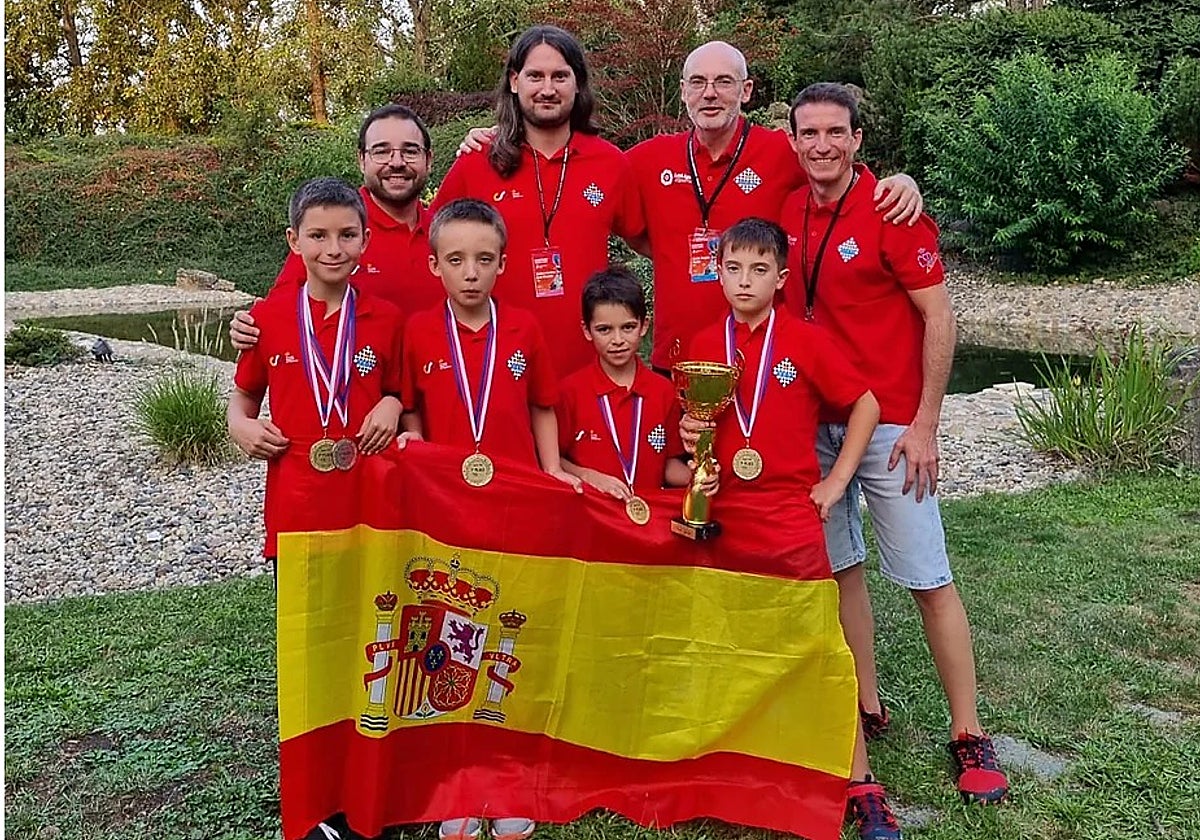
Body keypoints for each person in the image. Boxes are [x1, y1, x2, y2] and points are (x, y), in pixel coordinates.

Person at [779, 82, 1009, 813]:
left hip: (891, 427)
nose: (821, 145)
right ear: (792, 142)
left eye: (835, 132)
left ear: (857, 141)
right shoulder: (788, 211)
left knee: (924, 573)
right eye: (808, 133)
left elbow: (939, 317)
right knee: (841, 569)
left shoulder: (890, 209)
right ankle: (868, 703)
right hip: (815, 424)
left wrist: (927, 425)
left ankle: (968, 731)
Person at [681, 218, 892, 839]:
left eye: (758, 270)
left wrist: (836, 481)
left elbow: (867, 404)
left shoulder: (804, 341)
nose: (744, 281)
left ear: (779, 277)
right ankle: (732, 762)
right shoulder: (699, 343)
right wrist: (693, 439)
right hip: (724, 516)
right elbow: (690, 434)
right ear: (719, 272)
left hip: (790, 516)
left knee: (818, 643)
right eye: (733, 269)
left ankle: (860, 777)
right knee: (725, 639)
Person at [625, 41, 924, 371]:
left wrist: (903, 181)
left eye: (724, 81)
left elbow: (840, 175)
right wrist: (671, 250)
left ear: (746, 90)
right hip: (677, 357)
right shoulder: (647, 160)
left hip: (766, 360)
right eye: (698, 82)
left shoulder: (783, 153)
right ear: (683, 91)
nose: (709, 93)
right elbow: (613, 215)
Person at [433, 25, 645, 379]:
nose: (548, 89)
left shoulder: (611, 164)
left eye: (560, 76)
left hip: (588, 369)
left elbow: (647, 238)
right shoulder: (477, 160)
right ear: (515, 82)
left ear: (578, 84)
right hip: (495, 369)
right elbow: (433, 244)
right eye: (536, 76)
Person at [228, 176, 404, 567]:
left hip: (370, 501)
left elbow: (399, 391)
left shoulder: (387, 320)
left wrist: (392, 403)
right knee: (302, 622)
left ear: (365, 240)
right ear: (295, 242)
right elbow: (244, 397)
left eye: (347, 235)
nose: (334, 249)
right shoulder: (267, 319)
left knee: (372, 619)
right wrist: (240, 426)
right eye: (318, 236)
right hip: (296, 505)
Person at [399, 199, 581, 506]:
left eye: (484, 260)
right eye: (455, 260)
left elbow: (542, 405)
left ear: (502, 263)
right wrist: (416, 439)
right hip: (445, 488)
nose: (471, 273)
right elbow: (410, 403)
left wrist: (552, 468)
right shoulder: (418, 330)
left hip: (517, 484)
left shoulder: (524, 327)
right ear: (435, 264)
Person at [229, 103, 441, 348]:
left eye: (410, 151)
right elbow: (283, 306)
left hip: (443, 383)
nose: (396, 162)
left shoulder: (447, 236)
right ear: (362, 160)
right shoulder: (337, 230)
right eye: (381, 151)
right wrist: (249, 327)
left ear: (429, 159)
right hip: (351, 383)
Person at [556, 266, 713, 514]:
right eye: (604, 329)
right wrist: (587, 475)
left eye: (628, 327)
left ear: (644, 326)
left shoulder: (664, 391)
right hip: (592, 521)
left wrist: (700, 476)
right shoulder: (569, 392)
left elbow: (667, 464)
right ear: (587, 330)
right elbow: (553, 463)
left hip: (648, 524)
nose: (617, 339)